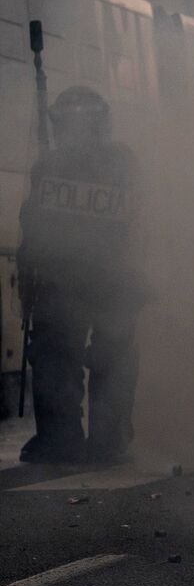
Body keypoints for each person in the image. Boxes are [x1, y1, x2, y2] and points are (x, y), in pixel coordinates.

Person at [18, 86, 147, 464]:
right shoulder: (115, 162)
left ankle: (69, 439)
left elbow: (32, 224)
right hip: (90, 279)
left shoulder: (57, 166)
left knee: (92, 356)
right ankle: (104, 440)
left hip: (93, 278)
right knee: (82, 356)